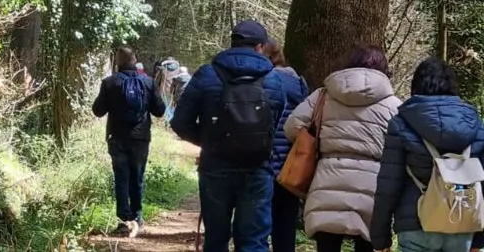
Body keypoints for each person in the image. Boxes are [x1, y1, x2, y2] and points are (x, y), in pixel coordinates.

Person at [171, 20, 308, 252]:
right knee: (254, 241)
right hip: (258, 170)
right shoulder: (273, 80)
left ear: (232, 43)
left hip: (215, 168)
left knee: (216, 239)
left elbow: (180, 123)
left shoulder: (207, 74)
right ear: (260, 47)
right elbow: (274, 127)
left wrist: (211, 141)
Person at [284, 45, 400, 252]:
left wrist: (319, 138)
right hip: (371, 185)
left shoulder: (322, 96)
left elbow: (291, 127)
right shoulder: (392, 104)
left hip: (327, 178)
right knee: (366, 245)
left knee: (328, 244)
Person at [370, 58, 484, 252]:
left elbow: (388, 185)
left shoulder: (401, 124)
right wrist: (480, 239)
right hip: (462, 223)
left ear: (416, 86)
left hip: (415, 224)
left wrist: (380, 238)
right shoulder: (475, 125)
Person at [92, 46, 167, 237]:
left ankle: (124, 221)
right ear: (135, 60)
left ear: (117, 62)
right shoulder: (148, 82)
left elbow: (97, 110)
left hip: (117, 138)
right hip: (141, 138)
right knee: (137, 178)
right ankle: (138, 218)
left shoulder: (109, 83)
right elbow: (159, 110)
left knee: (121, 179)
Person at [264, 39, 308, 252]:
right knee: (286, 227)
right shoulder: (299, 84)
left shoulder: (262, 81)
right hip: (291, 168)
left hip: (264, 165)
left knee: (258, 228)